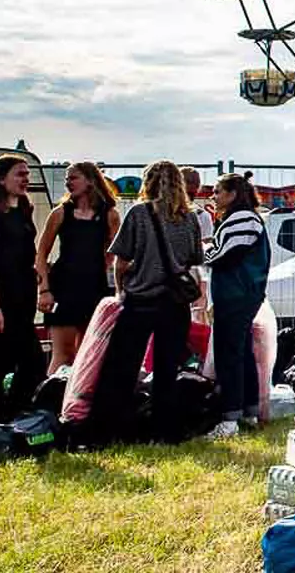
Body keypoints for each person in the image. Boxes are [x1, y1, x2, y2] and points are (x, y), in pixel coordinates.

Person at [91, 160, 205, 442]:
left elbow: (121, 259)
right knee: (167, 368)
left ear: (148, 182)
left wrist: (120, 290)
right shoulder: (188, 217)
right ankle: (164, 431)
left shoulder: (139, 213)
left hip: (141, 300)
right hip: (175, 303)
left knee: (124, 366)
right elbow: (195, 258)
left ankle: (116, 428)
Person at [202, 172, 270, 439]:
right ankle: (248, 413)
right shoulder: (247, 219)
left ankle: (230, 418)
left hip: (236, 295)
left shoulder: (241, 219)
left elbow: (223, 255)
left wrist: (203, 249)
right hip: (242, 294)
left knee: (229, 355)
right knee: (241, 353)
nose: (213, 196)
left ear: (232, 194)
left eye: (218, 191)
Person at [35, 162, 119, 373]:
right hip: (64, 288)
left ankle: (79, 402)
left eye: (73, 178)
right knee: (63, 353)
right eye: (66, 179)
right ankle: (51, 399)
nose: (68, 183)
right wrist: (44, 290)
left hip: (95, 289)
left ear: (90, 180)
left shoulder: (109, 214)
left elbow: (117, 254)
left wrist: (116, 288)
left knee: (88, 353)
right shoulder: (61, 213)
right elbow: (41, 254)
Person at [0, 154, 44, 421]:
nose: (26, 179)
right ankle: (0, 416)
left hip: (24, 295)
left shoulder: (24, 209)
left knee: (32, 362)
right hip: (2, 297)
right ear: (2, 180)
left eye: (27, 174)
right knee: (1, 359)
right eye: (19, 174)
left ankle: (15, 411)